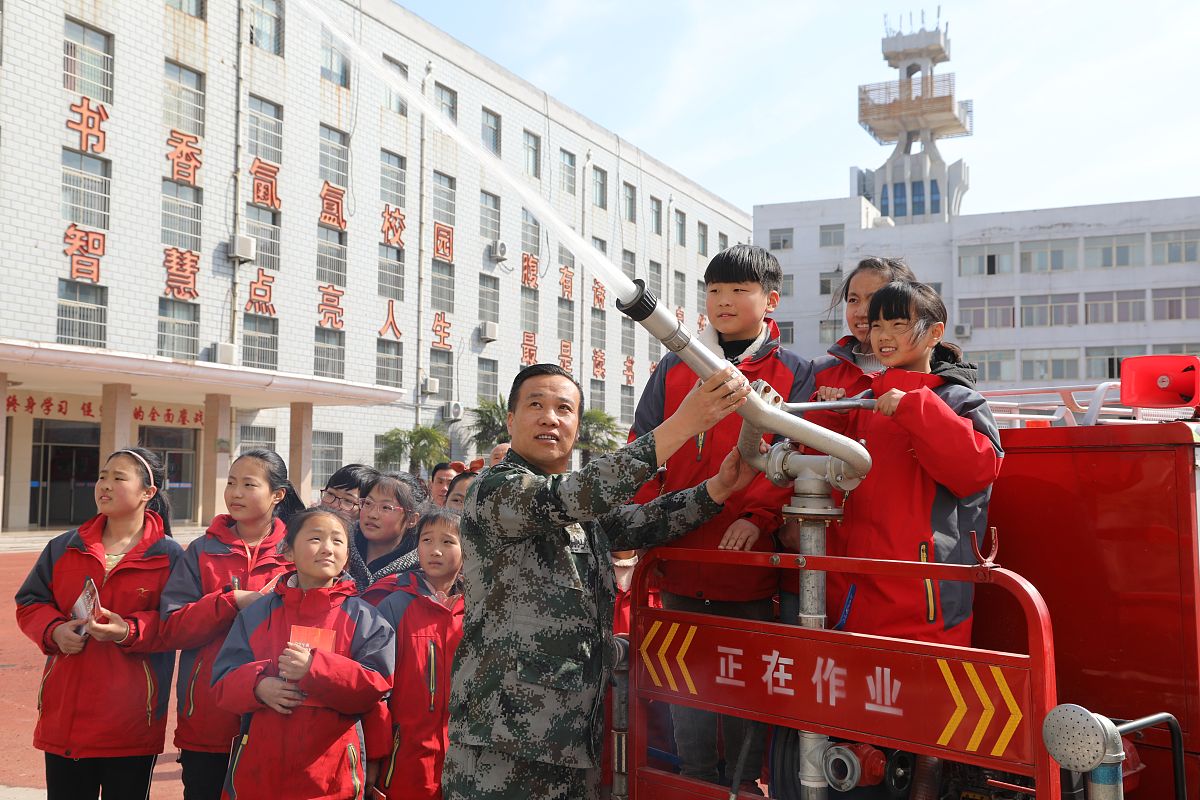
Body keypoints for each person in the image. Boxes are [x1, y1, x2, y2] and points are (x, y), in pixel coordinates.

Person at [443, 362, 758, 800]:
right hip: (504, 741)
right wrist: (682, 425)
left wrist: (718, 489)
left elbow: (640, 520)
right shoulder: (496, 489)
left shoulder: (576, 507)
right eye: (536, 404)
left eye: (564, 408)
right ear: (511, 420)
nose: (550, 417)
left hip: (575, 739)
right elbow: (575, 495)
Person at [629, 244, 813, 790]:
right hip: (679, 559)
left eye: (739, 290)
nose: (723, 301)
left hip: (748, 567)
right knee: (684, 692)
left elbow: (795, 458)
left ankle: (739, 786)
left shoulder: (793, 371)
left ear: (770, 300)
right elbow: (643, 448)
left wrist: (757, 516)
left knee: (743, 692)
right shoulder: (672, 366)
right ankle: (696, 784)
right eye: (714, 291)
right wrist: (642, 525)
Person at [811, 281, 1003, 647]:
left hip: (926, 606)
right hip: (849, 595)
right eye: (878, 325)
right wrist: (831, 417)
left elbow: (976, 471)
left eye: (898, 325)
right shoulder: (863, 401)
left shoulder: (959, 400)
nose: (884, 336)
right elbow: (816, 473)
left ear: (935, 333)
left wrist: (916, 407)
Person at [15, 448, 183, 800]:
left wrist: (128, 631)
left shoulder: (169, 556)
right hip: (67, 718)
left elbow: (176, 623)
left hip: (131, 722)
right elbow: (31, 602)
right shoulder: (65, 547)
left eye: (119, 478)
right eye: (103, 476)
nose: (104, 485)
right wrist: (54, 631)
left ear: (147, 493)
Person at [211, 508, 396, 799]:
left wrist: (315, 669)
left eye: (337, 541)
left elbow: (375, 688)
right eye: (315, 538)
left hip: (333, 777)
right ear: (288, 552)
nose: (327, 548)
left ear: (347, 555)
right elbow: (222, 682)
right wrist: (258, 687)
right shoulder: (257, 614)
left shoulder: (365, 620)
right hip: (260, 774)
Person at [156, 448, 306, 800]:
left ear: (277, 495)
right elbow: (173, 627)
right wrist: (231, 602)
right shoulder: (201, 551)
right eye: (231, 483)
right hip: (209, 718)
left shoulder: (299, 551)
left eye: (248, 484)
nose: (235, 493)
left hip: (278, 715)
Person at [372, 508, 465, 800]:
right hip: (404, 760)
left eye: (448, 542)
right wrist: (375, 755)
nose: (435, 550)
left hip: (464, 764)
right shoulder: (394, 605)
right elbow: (376, 689)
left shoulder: (478, 612)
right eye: (426, 540)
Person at [810, 256, 918, 397]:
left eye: (874, 300)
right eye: (853, 300)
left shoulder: (926, 374)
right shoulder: (818, 371)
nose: (861, 312)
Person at [351, 471, 429, 603]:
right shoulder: (339, 550)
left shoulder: (422, 571)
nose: (372, 514)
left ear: (411, 519)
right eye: (368, 503)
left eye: (386, 507)